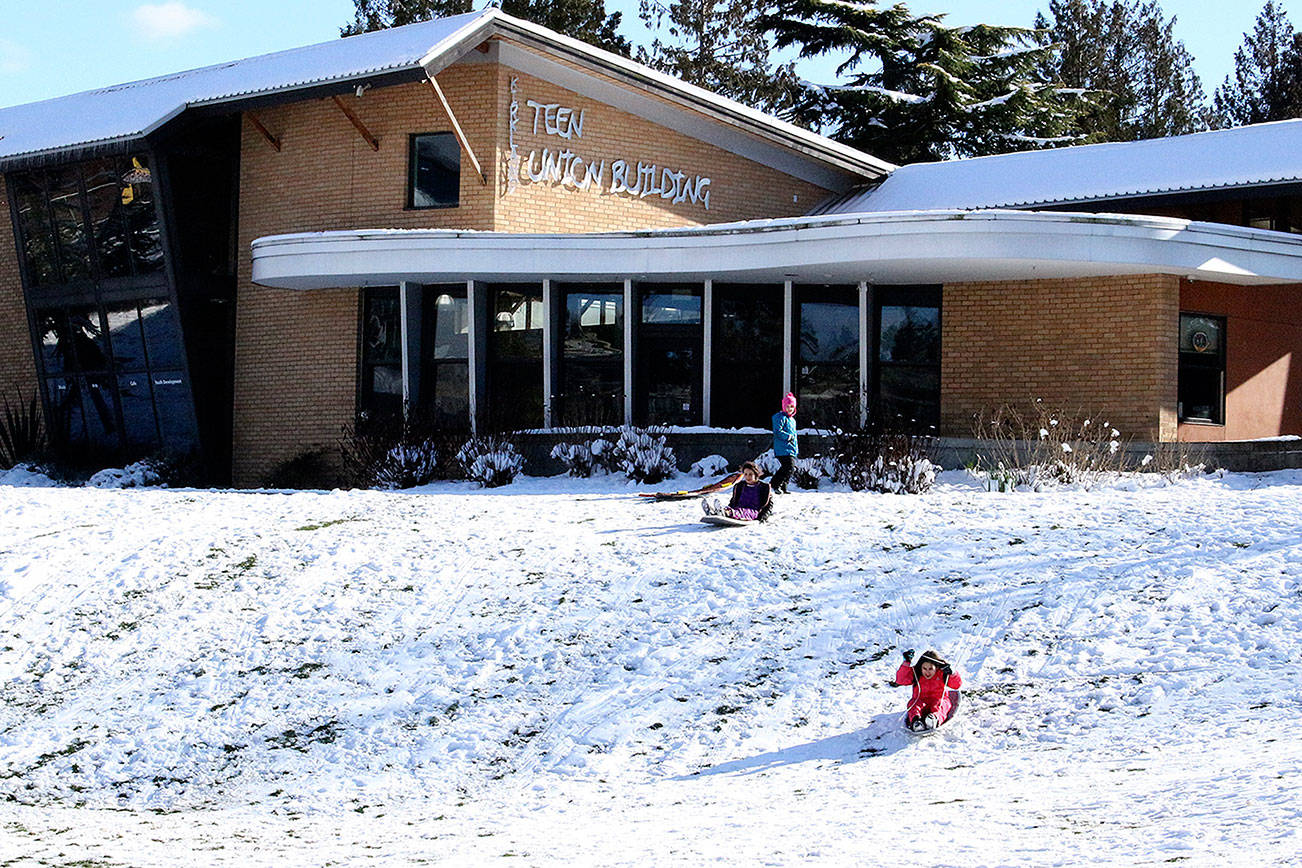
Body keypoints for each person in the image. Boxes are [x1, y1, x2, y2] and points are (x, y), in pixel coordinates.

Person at [890, 648, 962, 732]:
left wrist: (953, 673)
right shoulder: (917, 674)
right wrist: (906, 662)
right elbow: (900, 680)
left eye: (930, 669)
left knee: (941, 705)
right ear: (921, 667)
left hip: (938, 699)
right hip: (920, 700)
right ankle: (916, 722)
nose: (927, 672)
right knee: (913, 705)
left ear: (936, 667)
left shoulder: (942, 673)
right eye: (924, 668)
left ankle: (934, 719)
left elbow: (956, 685)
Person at [702, 460, 772, 521]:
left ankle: (725, 513)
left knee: (742, 512)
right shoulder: (740, 486)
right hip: (738, 508)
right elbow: (734, 501)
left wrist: (763, 517)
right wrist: (729, 507)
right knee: (734, 510)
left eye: (750, 474)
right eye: (745, 474)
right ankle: (715, 512)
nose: (747, 477)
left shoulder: (763, 487)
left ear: (756, 474)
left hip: (753, 511)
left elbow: (768, 505)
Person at [771, 392, 798, 494]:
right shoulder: (780, 417)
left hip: (790, 448)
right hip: (782, 448)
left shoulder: (792, 420)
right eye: (788, 406)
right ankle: (775, 483)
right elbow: (778, 431)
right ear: (784, 406)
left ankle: (784, 486)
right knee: (788, 467)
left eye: (792, 406)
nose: (790, 409)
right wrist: (788, 437)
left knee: (790, 468)